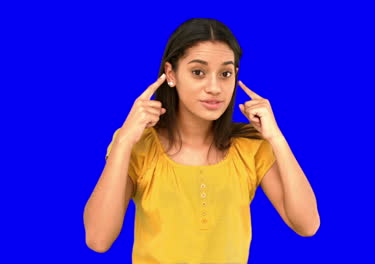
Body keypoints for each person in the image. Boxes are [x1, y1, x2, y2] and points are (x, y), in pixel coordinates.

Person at [83, 18, 320, 263]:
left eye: (225, 73)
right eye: (198, 72)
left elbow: (307, 225)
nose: (215, 87)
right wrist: (123, 142)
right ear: (170, 74)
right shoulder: (140, 145)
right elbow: (98, 239)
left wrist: (276, 138)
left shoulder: (251, 147)